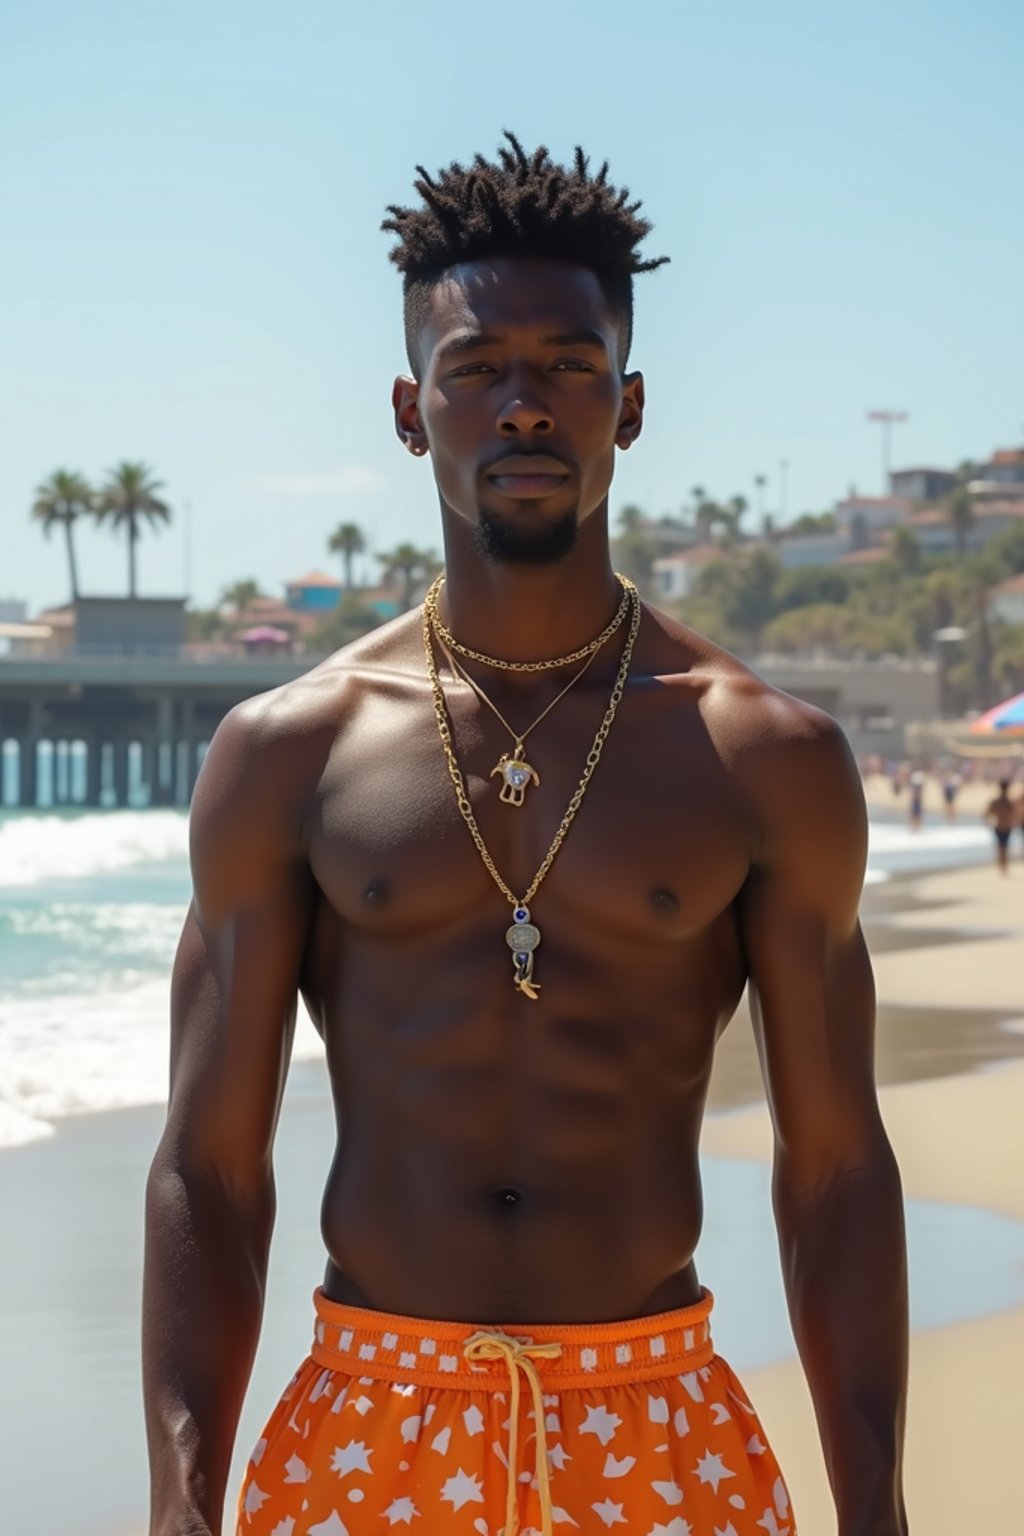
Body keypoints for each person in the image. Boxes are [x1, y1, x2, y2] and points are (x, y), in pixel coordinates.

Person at [143, 134, 909, 1536]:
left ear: (628, 404)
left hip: (659, 1426)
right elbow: (209, 1163)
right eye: (478, 366)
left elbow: (838, 1165)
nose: (525, 406)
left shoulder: (764, 756)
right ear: (407, 405)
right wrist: (180, 1502)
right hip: (370, 1431)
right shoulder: (288, 755)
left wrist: (879, 1507)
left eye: (567, 366)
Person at [983, 778, 1018, 875]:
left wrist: (987, 823)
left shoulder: (998, 802)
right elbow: (1016, 815)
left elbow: (986, 813)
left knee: (1000, 847)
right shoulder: (1009, 802)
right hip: (1006, 827)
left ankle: (1002, 866)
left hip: (999, 827)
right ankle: (1003, 866)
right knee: (1004, 847)